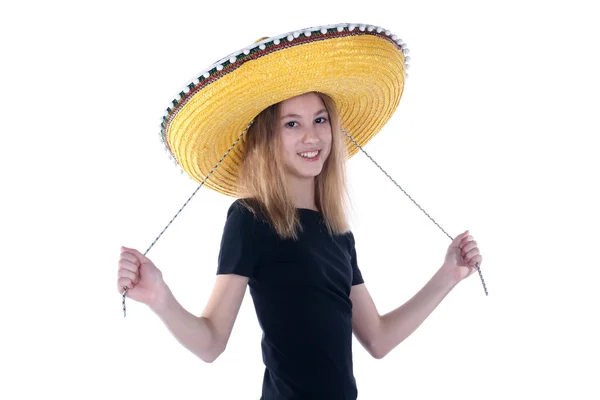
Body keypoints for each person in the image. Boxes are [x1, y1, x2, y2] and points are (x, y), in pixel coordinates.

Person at [117, 24, 482, 400]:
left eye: (320, 119)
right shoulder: (251, 219)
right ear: (267, 137)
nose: (312, 136)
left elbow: (378, 338)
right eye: (292, 123)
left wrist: (448, 275)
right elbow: (211, 343)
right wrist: (160, 296)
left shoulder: (338, 233)